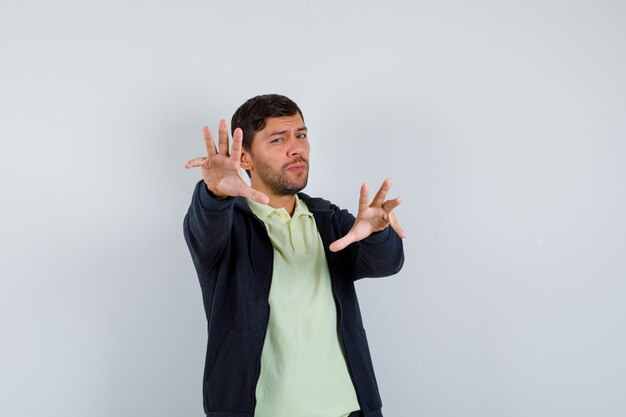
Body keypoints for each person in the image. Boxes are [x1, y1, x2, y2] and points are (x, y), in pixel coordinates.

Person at [183, 94, 405, 417]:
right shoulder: (229, 229)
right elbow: (203, 229)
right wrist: (213, 194)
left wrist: (378, 233)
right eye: (278, 139)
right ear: (245, 159)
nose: (296, 148)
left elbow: (388, 262)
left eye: (301, 135)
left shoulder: (328, 220)